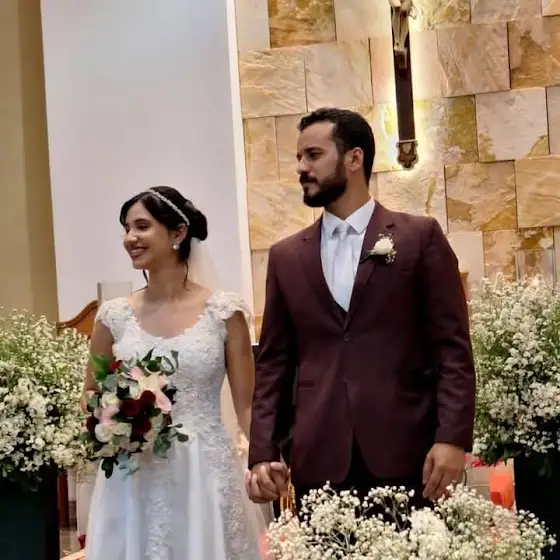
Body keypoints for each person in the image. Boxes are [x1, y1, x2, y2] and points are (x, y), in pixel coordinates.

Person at [246, 108, 476, 510]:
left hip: (409, 453)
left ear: (354, 158)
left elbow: (452, 349)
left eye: (313, 155)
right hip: (319, 457)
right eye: (299, 157)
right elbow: (273, 364)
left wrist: (452, 438)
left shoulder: (419, 237)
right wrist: (263, 452)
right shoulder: (286, 256)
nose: (301, 168)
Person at [84, 186, 267, 559]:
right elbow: (90, 394)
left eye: (141, 226)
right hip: (134, 473)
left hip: (203, 470)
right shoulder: (113, 316)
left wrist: (266, 457)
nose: (130, 238)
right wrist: (118, 419)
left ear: (178, 233)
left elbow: (247, 406)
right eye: (126, 229)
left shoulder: (224, 313)